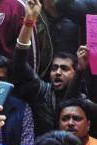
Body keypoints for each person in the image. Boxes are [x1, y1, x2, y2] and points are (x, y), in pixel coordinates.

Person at [14, 0, 83, 135]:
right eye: (54, 68)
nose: (57, 72)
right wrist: (29, 21)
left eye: (64, 69)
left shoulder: (83, 101)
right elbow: (20, 63)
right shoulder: (42, 92)